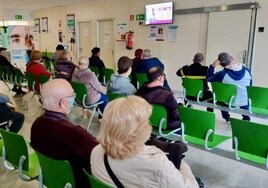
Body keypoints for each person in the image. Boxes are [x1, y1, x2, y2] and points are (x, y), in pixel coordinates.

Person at [91, 96, 198, 188]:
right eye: (146, 121)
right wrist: (182, 164)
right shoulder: (157, 163)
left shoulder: (96, 152)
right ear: (137, 131)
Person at [30, 79, 98, 187]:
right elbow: (100, 155)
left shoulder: (36, 124)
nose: (74, 98)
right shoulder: (75, 134)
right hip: (79, 182)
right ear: (62, 103)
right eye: (72, 95)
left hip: (54, 177)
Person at [206, 52, 252, 123]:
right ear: (232, 58)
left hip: (228, 101)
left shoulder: (222, 74)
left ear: (220, 64)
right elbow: (250, 86)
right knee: (243, 94)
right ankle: (246, 117)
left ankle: (227, 118)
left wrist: (212, 66)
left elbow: (208, 78)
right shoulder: (247, 71)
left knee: (221, 97)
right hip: (244, 101)